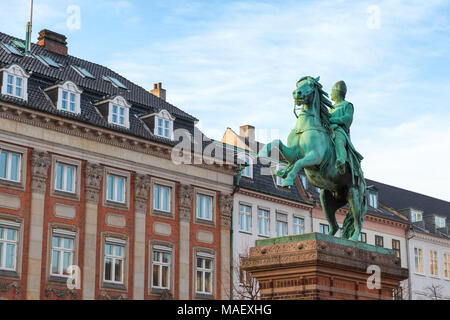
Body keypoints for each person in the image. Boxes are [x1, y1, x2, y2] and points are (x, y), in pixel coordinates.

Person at [329, 80, 354, 175]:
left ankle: (341, 161)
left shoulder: (347, 105)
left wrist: (333, 120)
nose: (330, 93)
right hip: (329, 130)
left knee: (339, 141)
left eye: (332, 91)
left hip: (340, 131)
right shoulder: (331, 107)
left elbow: (347, 118)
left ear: (337, 91)